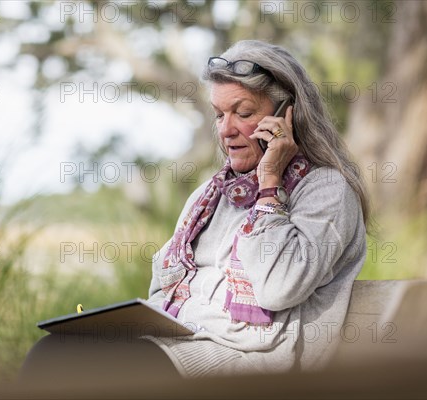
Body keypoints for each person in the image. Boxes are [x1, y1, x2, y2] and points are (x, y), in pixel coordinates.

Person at [20, 39, 368, 384]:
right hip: (178, 343)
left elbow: (278, 288)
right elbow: (162, 290)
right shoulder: (212, 194)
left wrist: (270, 186)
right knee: (50, 352)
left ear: (286, 116)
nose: (226, 129)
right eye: (219, 115)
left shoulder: (327, 190)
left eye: (243, 113)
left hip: (253, 359)